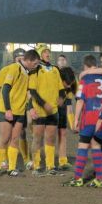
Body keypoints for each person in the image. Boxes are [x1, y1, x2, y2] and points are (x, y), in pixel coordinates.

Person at [63, 53, 102, 188]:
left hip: (89, 117)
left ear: (85, 66)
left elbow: (80, 101)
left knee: (83, 146)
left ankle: (78, 178)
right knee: (96, 145)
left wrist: (76, 119)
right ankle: (100, 178)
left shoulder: (85, 79)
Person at [0, 49, 40, 176]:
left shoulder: (27, 73)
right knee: (4, 138)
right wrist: (7, 109)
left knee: (15, 139)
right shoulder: (14, 68)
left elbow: (26, 95)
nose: (35, 66)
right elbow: (5, 89)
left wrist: (31, 108)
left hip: (19, 112)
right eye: (35, 64)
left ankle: (11, 168)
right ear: (28, 61)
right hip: (7, 111)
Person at [28, 44, 65, 176]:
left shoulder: (55, 70)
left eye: (48, 52)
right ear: (39, 55)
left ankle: (50, 166)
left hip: (53, 111)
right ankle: (37, 165)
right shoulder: (35, 70)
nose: (48, 54)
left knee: (50, 138)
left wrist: (61, 97)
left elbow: (61, 88)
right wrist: (43, 104)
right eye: (44, 52)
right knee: (37, 138)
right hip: (40, 110)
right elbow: (32, 91)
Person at [56, 54, 77, 171]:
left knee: (62, 133)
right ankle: (36, 161)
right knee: (44, 134)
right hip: (50, 106)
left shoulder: (70, 75)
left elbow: (70, 102)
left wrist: (73, 123)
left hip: (63, 106)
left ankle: (62, 160)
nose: (61, 62)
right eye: (59, 60)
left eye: (63, 59)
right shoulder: (53, 73)